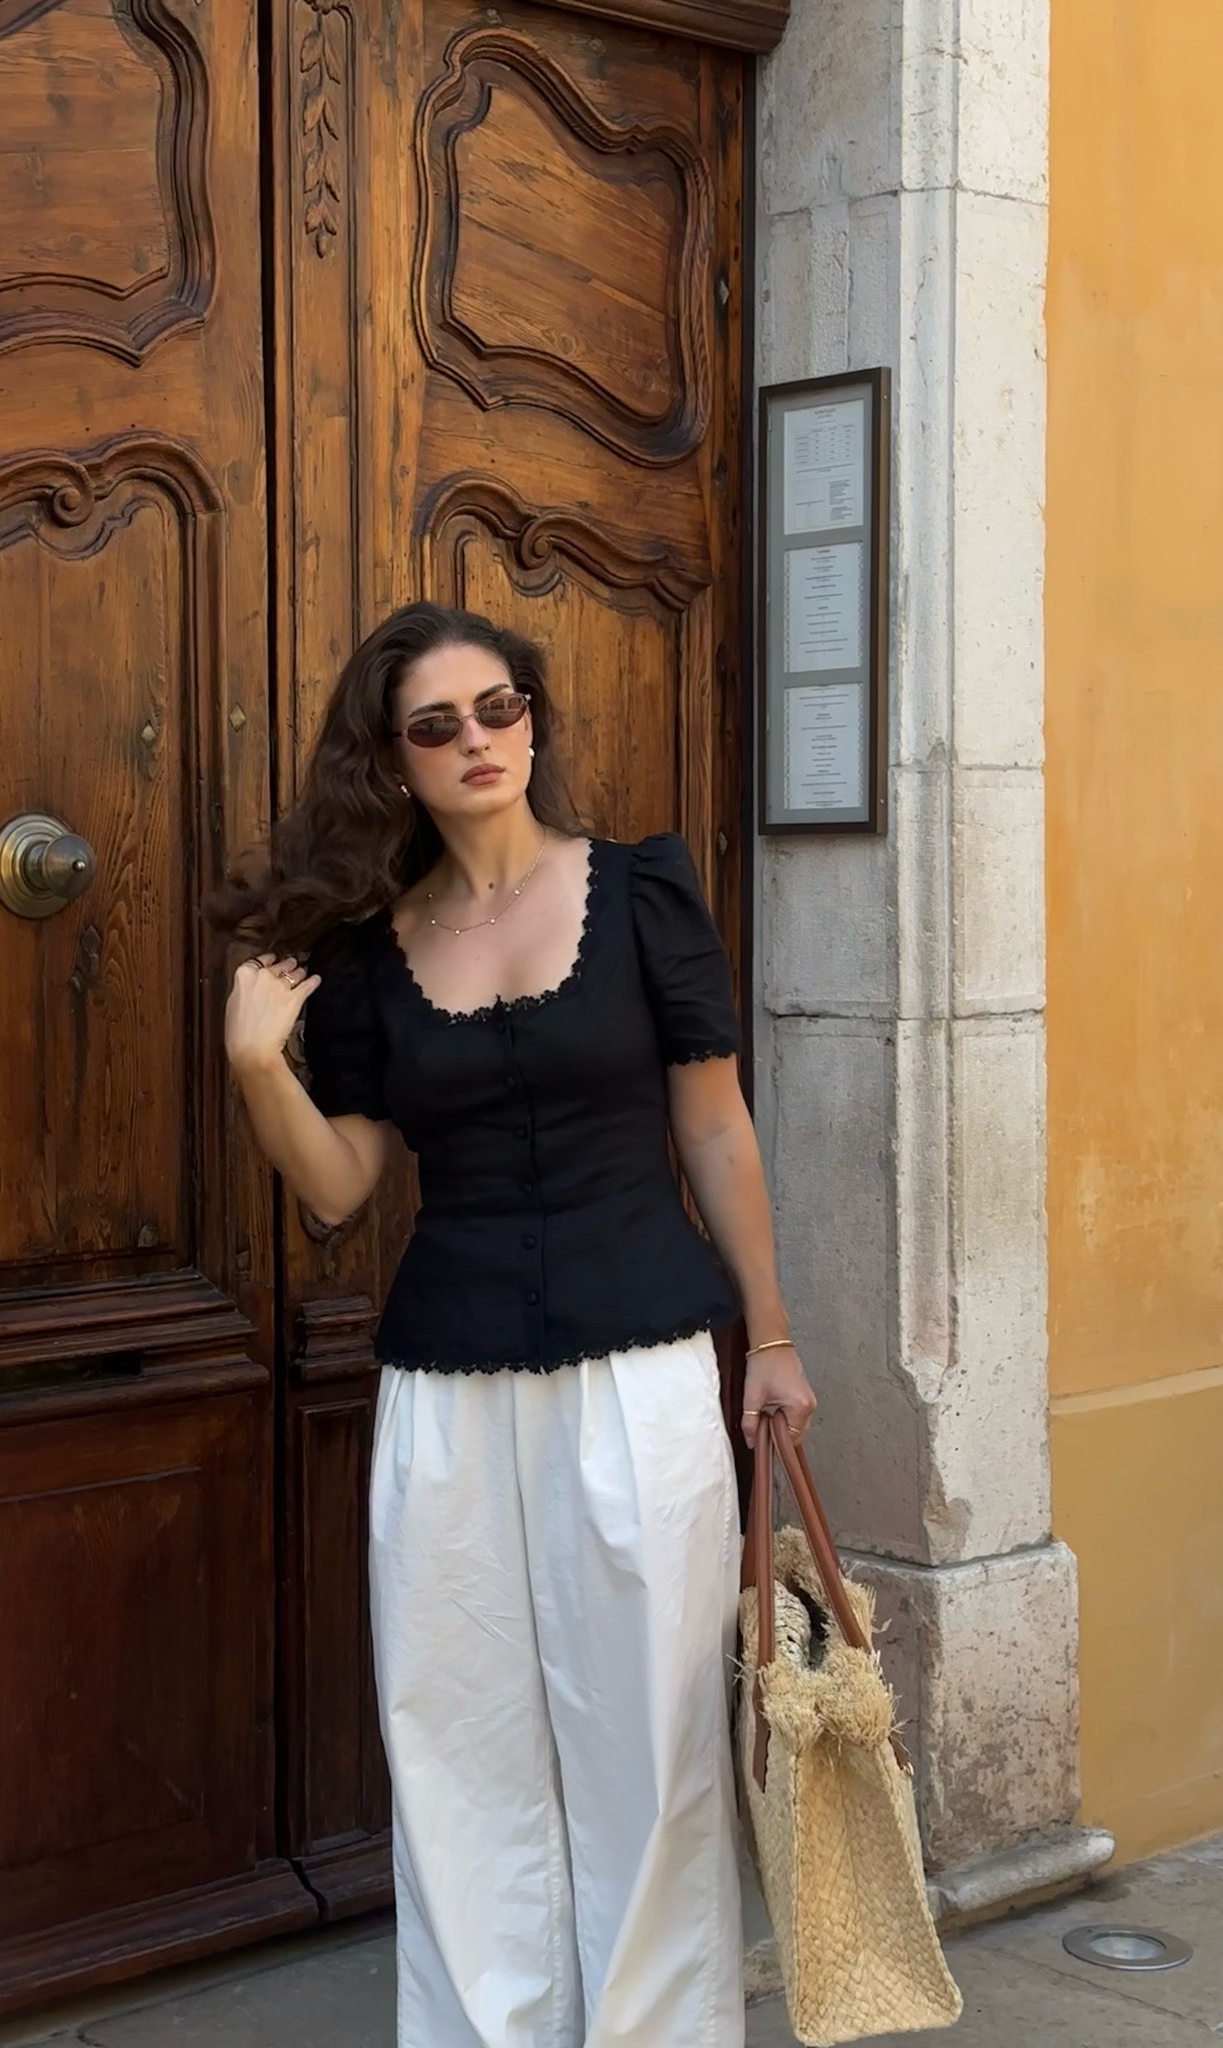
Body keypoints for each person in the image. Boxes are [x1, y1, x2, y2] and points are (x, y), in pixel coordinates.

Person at [215, 602, 815, 2048]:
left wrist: (773, 1338)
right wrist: (258, 1068)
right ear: (394, 760)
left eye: (499, 708)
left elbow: (715, 1127)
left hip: (640, 1372)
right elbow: (342, 1186)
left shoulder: (645, 890)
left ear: (534, 720)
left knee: (650, 1751)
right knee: (458, 1743)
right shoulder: (369, 956)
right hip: (449, 1389)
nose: (477, 741)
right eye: (436, 726)